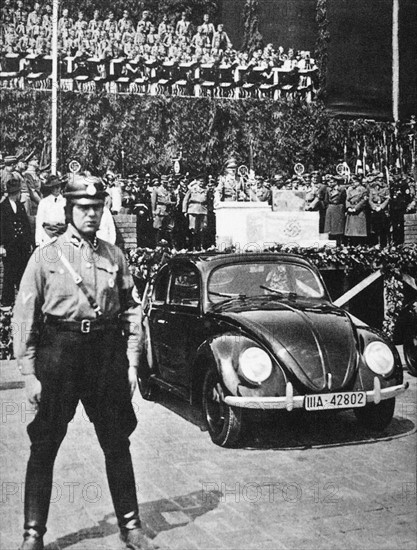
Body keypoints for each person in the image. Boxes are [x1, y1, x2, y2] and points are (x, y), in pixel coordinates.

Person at [13, 174, 156, 550]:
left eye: (97, 208)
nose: (91, 215)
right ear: (70, 209)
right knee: (45, 443)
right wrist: (29, 373)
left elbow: (131, 310)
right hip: (59, 352)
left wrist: (130, 361)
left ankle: (131, 526)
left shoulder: (114, 255)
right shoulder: (45, 256)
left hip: (105, 355)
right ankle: (33, 534)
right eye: (84, 208)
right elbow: (25, 316)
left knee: (116, 441)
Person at [0, 178, 33, 308]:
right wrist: (1, 246)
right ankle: (6, 302)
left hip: (22, 246)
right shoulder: (3, 207)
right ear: (16, 192)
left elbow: (25, 224)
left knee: (22, 272)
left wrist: (29, 242)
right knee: (9, 273)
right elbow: (1, 227)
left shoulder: (20, 206)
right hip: (9, 246)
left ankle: (22, 299)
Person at [35, 175, 66, 246]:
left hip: (62, 234)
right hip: (47, 235)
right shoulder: (44, 202)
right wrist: (38, 241)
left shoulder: (65, 201)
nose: (57, 189)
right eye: (54, 187)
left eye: (59, 186)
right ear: (50, 188)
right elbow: (39, 222)